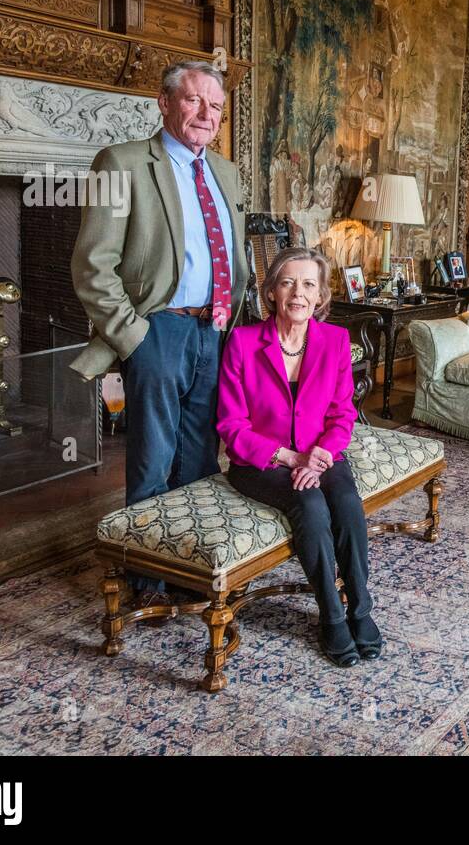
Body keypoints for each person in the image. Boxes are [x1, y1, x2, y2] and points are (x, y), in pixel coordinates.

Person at [70, 60, 248, 609]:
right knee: (152, 457)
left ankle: (189, 568)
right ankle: (144, 578)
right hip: (159, 329)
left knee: (199, 457)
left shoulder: (227, 172)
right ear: (165, 102)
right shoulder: (120, 163)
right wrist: (134, 335)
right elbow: (93, 264)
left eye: (215, 107)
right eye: (195, 101)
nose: (205, 115)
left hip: (216, 328)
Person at [216, 247, 380, 668]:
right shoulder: (243, 341)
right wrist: (289, 458)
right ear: (272, 291)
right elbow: (231, 425)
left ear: (321, 295)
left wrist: (321, 454)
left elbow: (343, 412)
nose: (298, 293)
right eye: (288, 282)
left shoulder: (336, 341)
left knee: (345, 502)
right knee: (309, 505)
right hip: (261, 463)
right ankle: (331, 616)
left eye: (309, 284)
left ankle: (360, 608)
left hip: (322, 455)